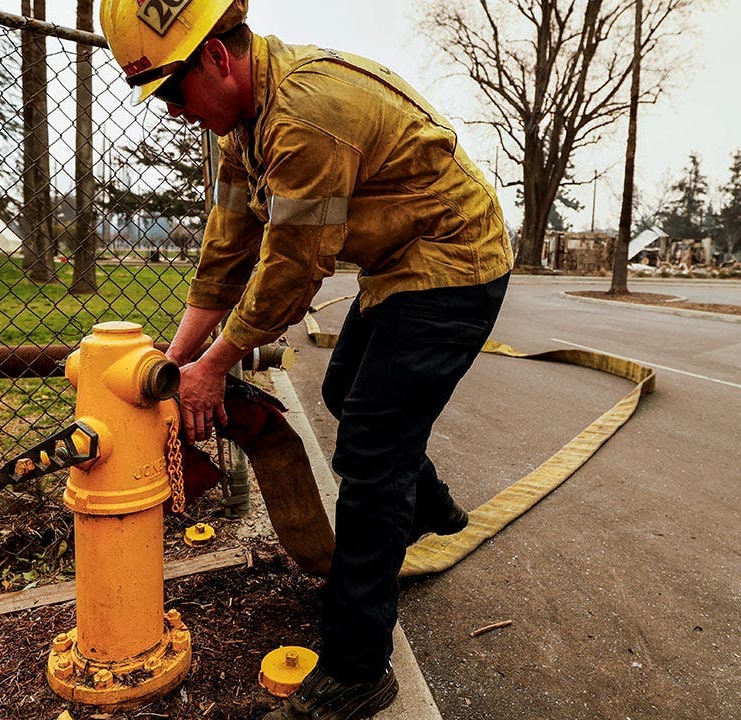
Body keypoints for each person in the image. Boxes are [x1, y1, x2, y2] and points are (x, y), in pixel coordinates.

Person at [100, 1, 512, 717]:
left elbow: (291, 270)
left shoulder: (305, 118)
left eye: (171, 89)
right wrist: (178, 361)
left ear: (219, 59)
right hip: (398, 263)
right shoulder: (243, 128)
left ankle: (359, 668)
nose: (170, 112)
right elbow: (227, 252)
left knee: (372, 450)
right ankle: (428, 508)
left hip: (453, 262)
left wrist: (216, 363)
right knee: (348, 389)